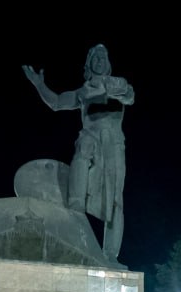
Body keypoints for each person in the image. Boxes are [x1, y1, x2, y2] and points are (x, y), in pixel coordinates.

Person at [23, 44, 134, 262]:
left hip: (113, 147)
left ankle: (110, 256)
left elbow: (129, 96)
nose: (100, 60)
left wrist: (112, 88)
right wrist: (39, 84)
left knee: (115, 202)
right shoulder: (82, 93)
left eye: (103, 57)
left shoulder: (117, 84)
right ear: (90, 64)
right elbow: (56, 103)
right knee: (76, 195)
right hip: (88, 141)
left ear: (108, 63)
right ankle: (74, 246)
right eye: (95, 58)